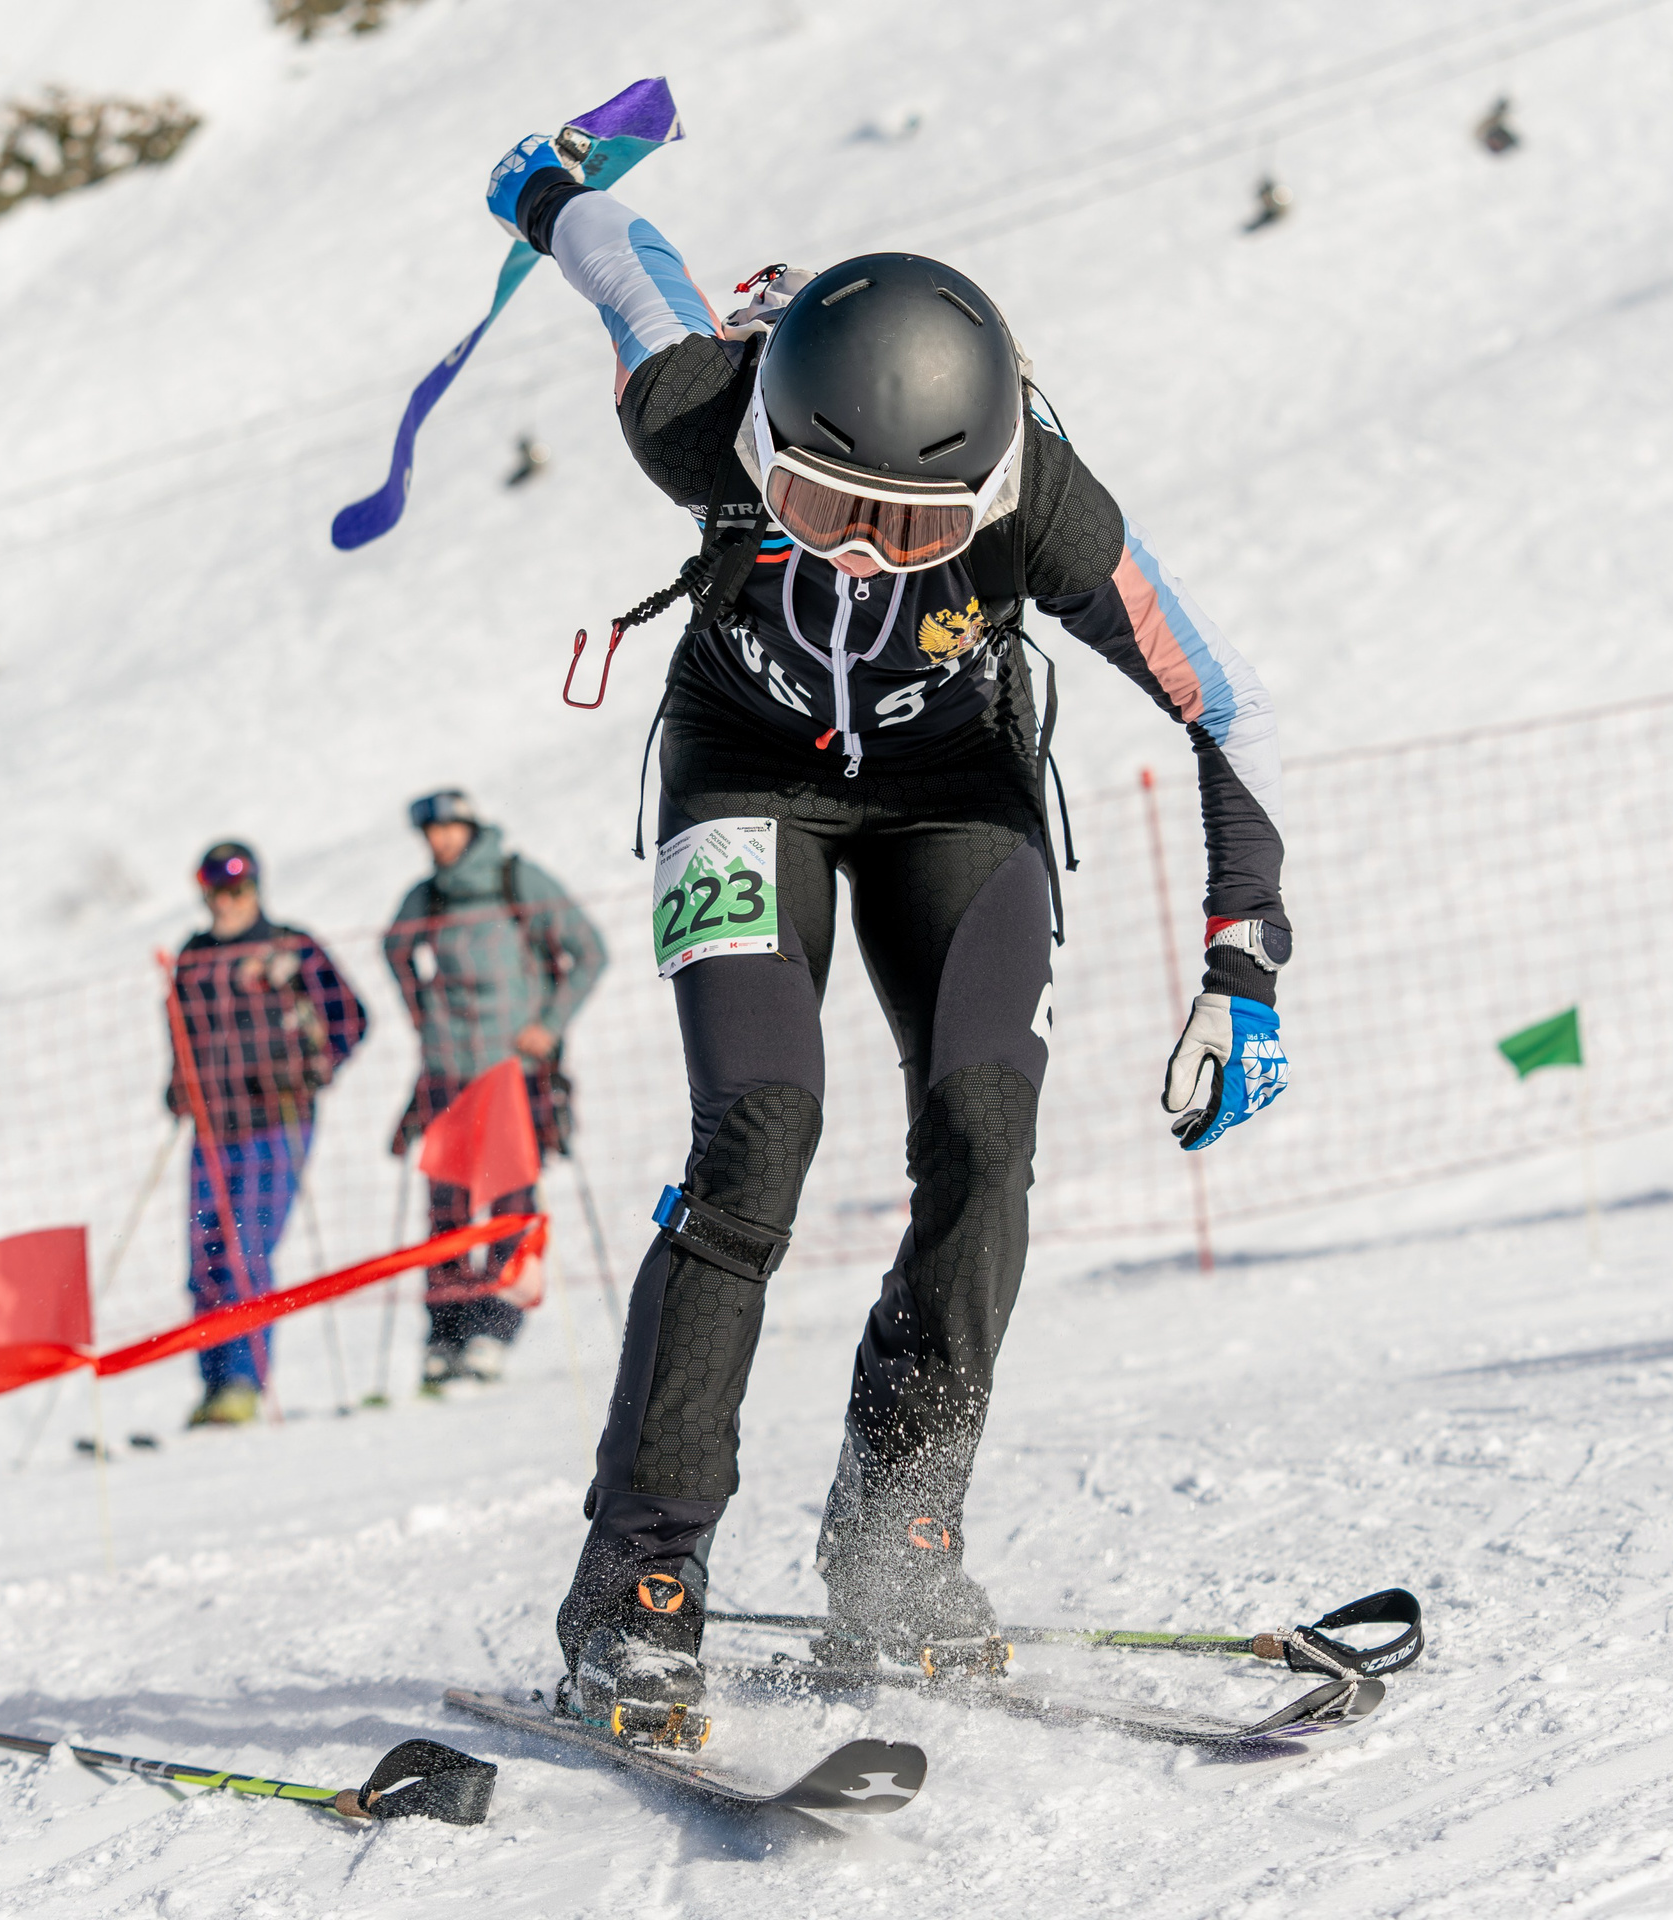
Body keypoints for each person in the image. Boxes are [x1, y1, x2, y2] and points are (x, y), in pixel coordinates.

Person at [482, 134, 1293, 1740]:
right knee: (755, 1142)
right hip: (745, 774)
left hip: (956, 795)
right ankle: (636, 1588)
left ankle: (895, 1546)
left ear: (988, 488)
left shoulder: (1048, 505)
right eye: (811, 507)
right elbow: (619, 261)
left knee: (987, 1141)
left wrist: (1243, 965)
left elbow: (1228, 702)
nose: (855, 549)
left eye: (911, 534)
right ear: (760, 436)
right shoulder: (694, 406)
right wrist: (550, 183)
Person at [381, 790, 607, 1389]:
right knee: (448, 1205)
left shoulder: (516, 878)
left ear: (470, 825)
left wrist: (549, 1025)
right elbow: (393, 947)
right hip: (448, 1070)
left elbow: (589, 951)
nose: (441, 840)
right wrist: (421, 1013)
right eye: (431, 831)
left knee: (509, 1201)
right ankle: (445, 1330)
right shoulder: (428, 894)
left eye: (450, 827)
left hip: (514, 1071)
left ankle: (495, 1325)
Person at [166, 841, 367, 1426]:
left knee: (245, 1250)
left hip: (277, 1121)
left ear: (256, 888)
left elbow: (351, 1017)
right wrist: (177, 1083)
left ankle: (243, 1384)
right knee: (204, 1260)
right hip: (211, 1129)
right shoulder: (193, 957)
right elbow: (178, 1031)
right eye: (217, 891)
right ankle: (212, 1385)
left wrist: (315, 1068)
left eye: (240, 888)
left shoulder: (291, 947)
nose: (229, 901)